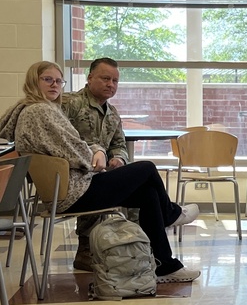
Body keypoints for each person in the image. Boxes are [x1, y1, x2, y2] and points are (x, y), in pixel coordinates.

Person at [0, 61, 201, 282]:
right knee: (147, 168)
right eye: (47, 79)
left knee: (149, 194)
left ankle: (166, 266)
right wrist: (96, 156)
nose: (54, 85)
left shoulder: (42, 109)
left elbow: (85, 144)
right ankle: (171, 214)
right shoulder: (42, 111)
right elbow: (71, 148)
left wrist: (107, 155)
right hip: (75, 190)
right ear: (33, 81)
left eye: (58, 80)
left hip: (76, 184)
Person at [61, 57, 131, 271]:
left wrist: (118, 158)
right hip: (73, 174)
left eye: (115, 81)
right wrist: (94, 151)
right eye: (106, 78)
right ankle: (86, 251)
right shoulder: (70, 103)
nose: (111, 84)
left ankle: (134, 245)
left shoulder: (113, 114)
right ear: (90, 78)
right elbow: (61, 139)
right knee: (97, 181)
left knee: (136, 183)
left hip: (102, 171)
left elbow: (119, 143)